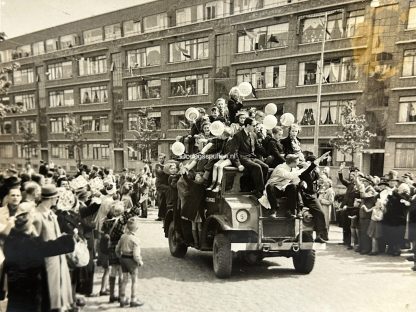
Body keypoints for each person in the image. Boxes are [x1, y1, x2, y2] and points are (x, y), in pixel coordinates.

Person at [4, 202, 75, 312]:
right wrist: (70, 239)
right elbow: (48, 247)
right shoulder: (28, 243)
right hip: (30, 292)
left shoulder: (11, 239)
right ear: (28, 221)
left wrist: (33, 234)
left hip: (16, 290)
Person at [33, 184, 73, 311]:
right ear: (52, 198)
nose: (57, 200)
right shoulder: (37, 216)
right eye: (56, 197)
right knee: (48, 299)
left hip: (57, 261)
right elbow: (35, 244)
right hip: (47, 263)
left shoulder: (50, 213)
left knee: (58, 297)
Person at [232, 118, 268, 198]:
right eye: (253, 125)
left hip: (252, 157)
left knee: (265, 167)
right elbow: (234, 151)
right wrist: (238, 164)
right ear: (248, 125)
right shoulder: (238, 135)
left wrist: (267, 153)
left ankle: (256, 188)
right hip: (243, 157)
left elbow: (258, 147)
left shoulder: (253, 134)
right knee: (257, 167)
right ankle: (260, 191)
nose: (255, 127)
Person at [116, 216, 144, 307]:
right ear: (137, 228)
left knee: (124, 280)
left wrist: (119, 256)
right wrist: (139, 261)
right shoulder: (135, 239)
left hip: (123, 259)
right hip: (131, 261)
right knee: (134, 280)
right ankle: (133, 299)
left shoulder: (123, 236)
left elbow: (117, 249)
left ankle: (122, 299)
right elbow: (136, 254)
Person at [155, 154, 169, 221]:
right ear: (158, 159)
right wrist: (166, 171)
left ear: (164, 159)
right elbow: (160, 172)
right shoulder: (157, 166)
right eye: (160, 158)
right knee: (160, 201)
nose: (161, 159)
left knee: (164, 201)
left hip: (165, 185)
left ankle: (163, 215)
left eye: (162, 158)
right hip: (160, 185)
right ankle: (160, 216)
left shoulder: (165, 166)